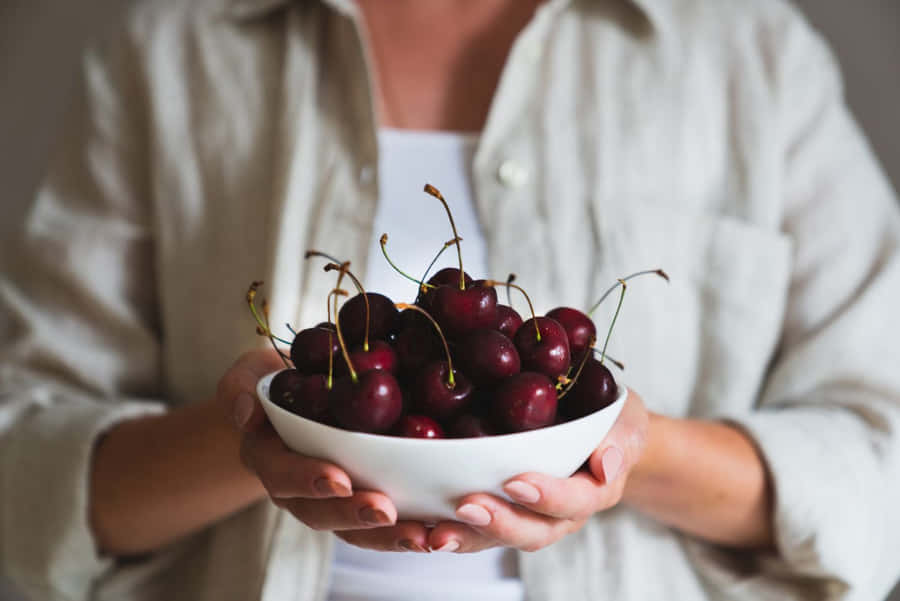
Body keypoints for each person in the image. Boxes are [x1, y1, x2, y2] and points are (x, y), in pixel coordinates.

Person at [1, 0, 899, 600]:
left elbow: (882, 458)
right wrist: (256, 431)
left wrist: (628, 449)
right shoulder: (174, 49)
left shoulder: (747, 50)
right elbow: (21, 466)